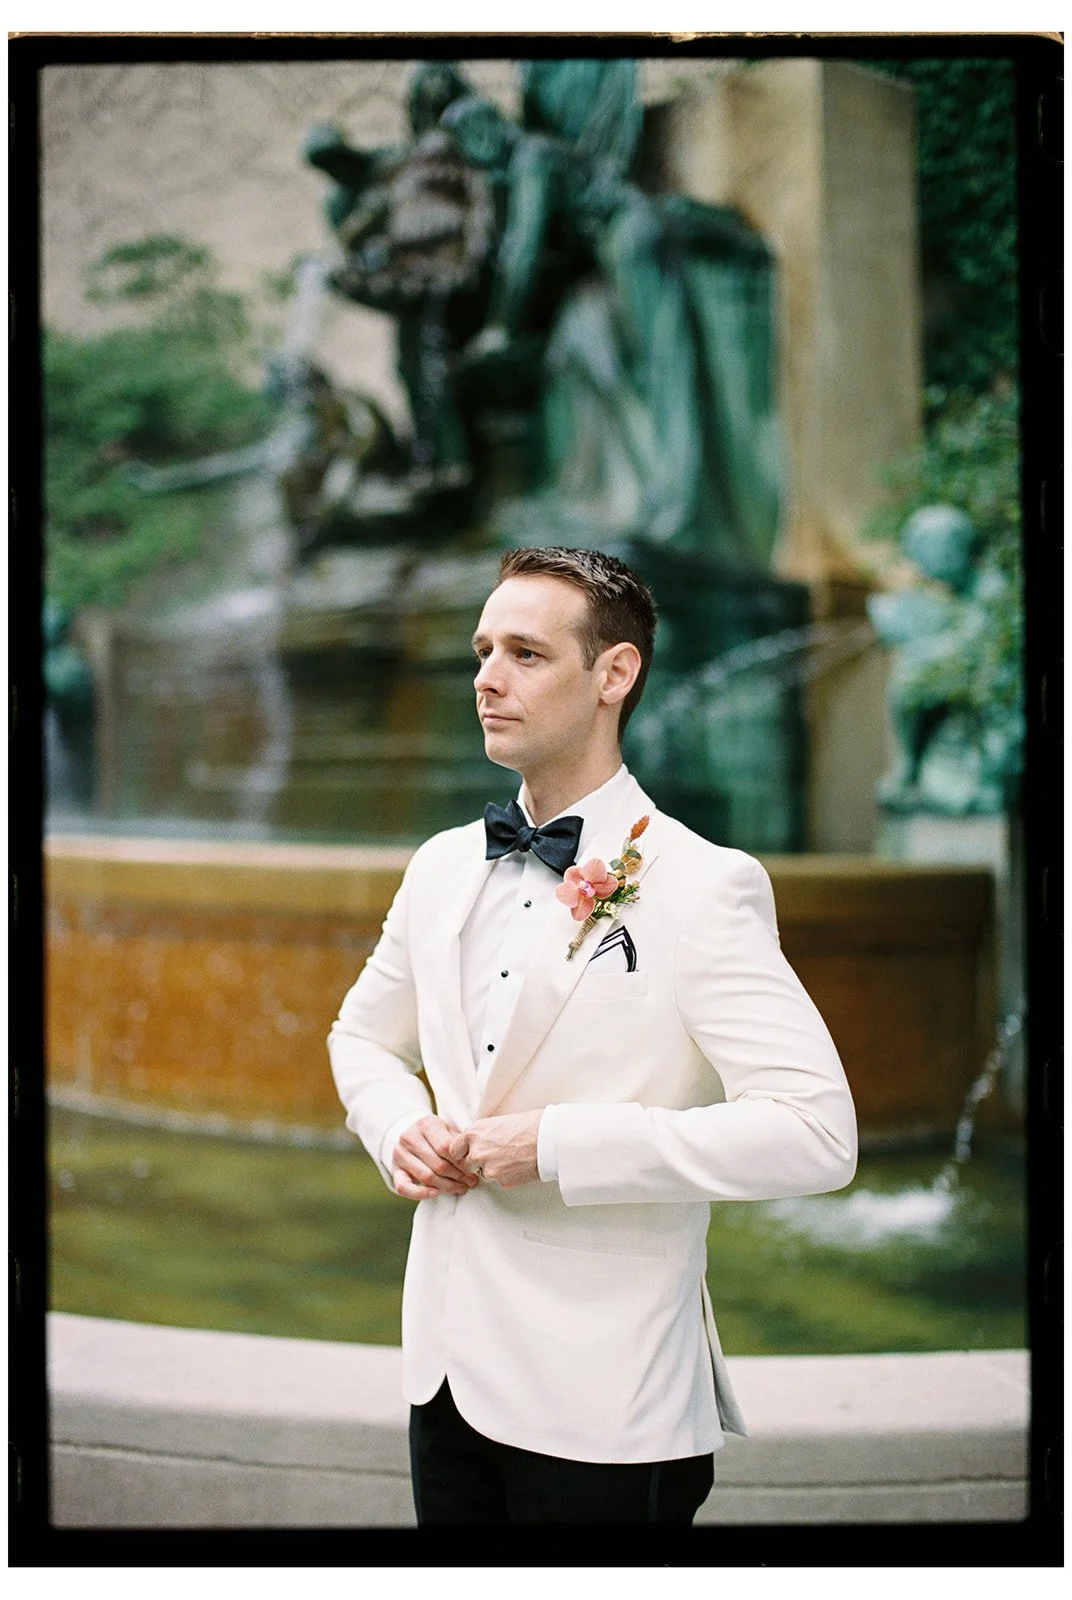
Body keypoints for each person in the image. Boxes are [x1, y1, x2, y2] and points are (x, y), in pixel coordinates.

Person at [328, 545, 857, 1525]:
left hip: (609, 1398)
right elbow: (359, 1037)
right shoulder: (441, 864)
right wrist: (397, 1121)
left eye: (525, 653)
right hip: (441, 1375)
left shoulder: (705, 884)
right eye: (481, 650)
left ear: (614, 674)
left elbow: (815, 1131)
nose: (485, 678)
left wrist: (561, 1144)